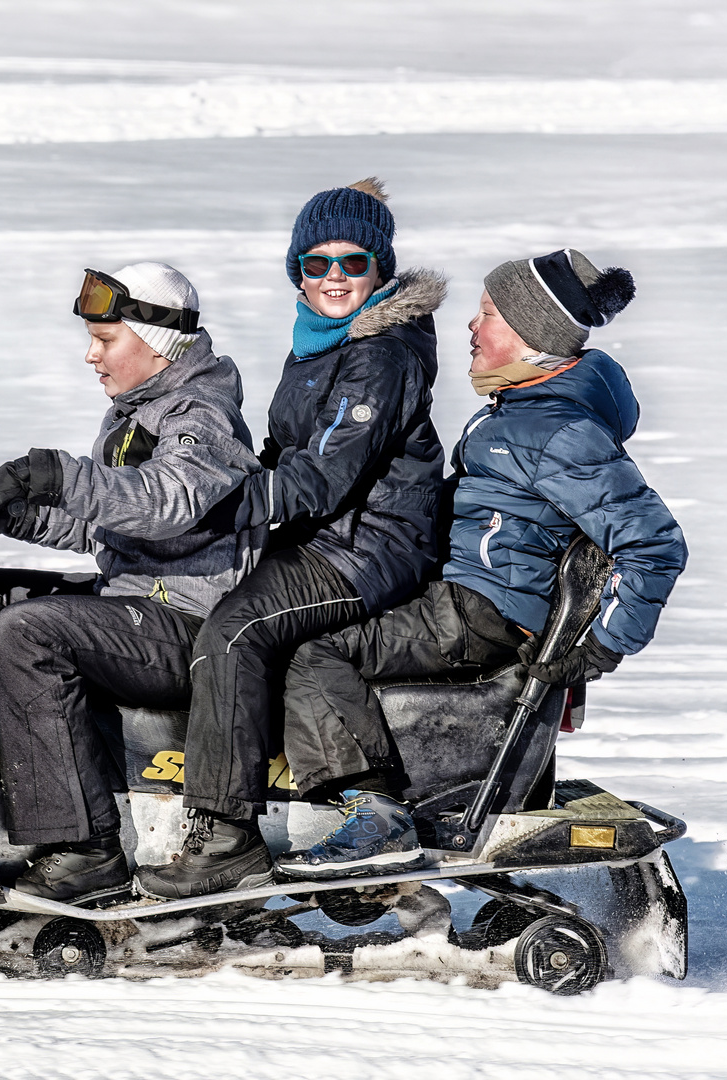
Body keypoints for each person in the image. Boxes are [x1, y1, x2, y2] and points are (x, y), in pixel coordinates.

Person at [270, 248, 687, 879]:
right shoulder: (519, 412)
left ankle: (374, 814)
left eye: (487, 313)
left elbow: (654, 544)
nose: (471, 325)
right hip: (471, 594)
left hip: (481, 610)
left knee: (316, 653)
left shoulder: (554, 430)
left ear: (527, 336)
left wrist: (605, 642)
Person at [135, 179, 447, 900]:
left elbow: (327, 471)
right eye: (317, 263)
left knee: (236, 627)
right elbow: (287, 452)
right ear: (296, 271)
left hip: (369, 545)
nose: (334, 278)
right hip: (327, 536)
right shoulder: (322, 341)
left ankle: (222, 836)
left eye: (353, 263)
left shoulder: (382, 353)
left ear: (380, 269)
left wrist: (218, 506)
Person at [0, 262, 260, 902]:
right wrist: (3, 507)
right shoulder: (138, 411)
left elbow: (168, 500)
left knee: (29, 633)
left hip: (190, 626)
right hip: (137, 602)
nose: (91, 356)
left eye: (106, 340)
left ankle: (85, 847)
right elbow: (103, 528)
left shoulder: (201, 416)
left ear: (156, 341)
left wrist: (52, 474)